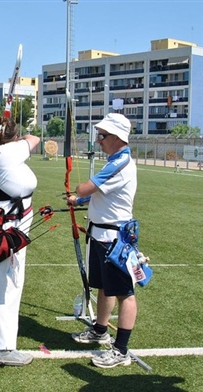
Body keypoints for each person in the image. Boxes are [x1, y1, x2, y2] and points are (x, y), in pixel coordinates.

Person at [67, 113, 138, 369]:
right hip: (100, 234)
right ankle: (100, 330)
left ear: (117, 138)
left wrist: (79, 193)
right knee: (104, 287)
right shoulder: (114, 160)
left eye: (103, 136)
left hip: (114, 238)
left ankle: (121, 350)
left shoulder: (120, 161)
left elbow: (86, 188)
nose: (98, 141)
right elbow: (99, 195)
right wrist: (79, 201)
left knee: (124, 293)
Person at [0, 117, 40, 366]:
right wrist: (14, 138)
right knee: (8, 284)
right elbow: (34, 139)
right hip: (8, 228)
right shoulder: (5, 154)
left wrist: (6, 134)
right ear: (14, 137)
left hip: (5, 224)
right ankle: (5, 348)